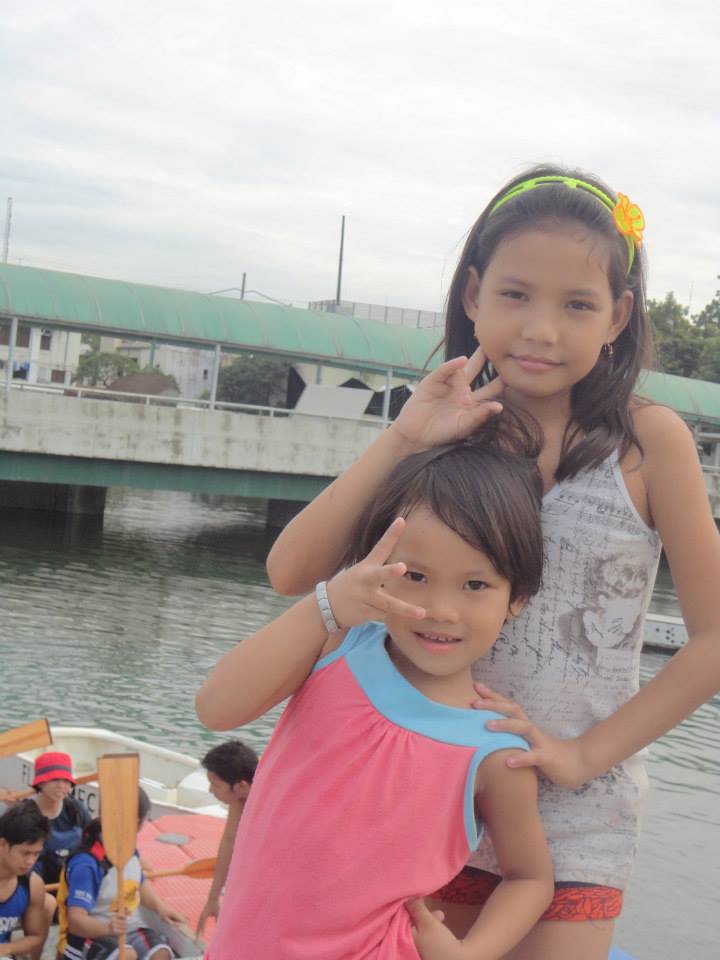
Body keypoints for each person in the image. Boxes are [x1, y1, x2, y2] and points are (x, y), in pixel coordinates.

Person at [266, 165, 720, 959]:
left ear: (618, 316)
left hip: (574, 821)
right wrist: (405, 437)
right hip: (417, 799)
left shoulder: (650, 444)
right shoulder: (446, 431)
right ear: (473, 295)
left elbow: (713, 639)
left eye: (576, 305)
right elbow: (292, 572)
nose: (541, 329)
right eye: (515, 295)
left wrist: (582, 756)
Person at [197, 433, 554, 959]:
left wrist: (472, 953)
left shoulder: (494, 750)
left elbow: (530, 878)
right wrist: (327, 604)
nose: (440, 609)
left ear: (517, 595)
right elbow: (216, 707)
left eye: (475, 585)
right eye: (416, 576)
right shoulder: (339, 644)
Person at [57, 787, 185, 960]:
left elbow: (139, 883)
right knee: (127, 956)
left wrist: (160, 907)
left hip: (128, 927)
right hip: (89, 934)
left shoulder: (130, 850)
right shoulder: (86, 864)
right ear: (137, 823)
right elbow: (76, 922)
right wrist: (108, 928)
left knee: (161, 953)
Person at [195, 740, 258, 938]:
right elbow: (229, 841)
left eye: (215, 785)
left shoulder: (270, 802)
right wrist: (213, 898)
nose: (210, 790)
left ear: (241, 786)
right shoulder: (239, 798)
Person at [30, 752, 91, 887]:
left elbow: (93, 840)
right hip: (37, 886)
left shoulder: (76, 810)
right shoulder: (25, 815)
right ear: (40, 783)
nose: (61, 786)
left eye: (65, 781)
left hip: (73, 881)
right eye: (55, 780)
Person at [0, 800, 50, 960]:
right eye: (25, 853)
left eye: (36, 854)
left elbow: (35, 937)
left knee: (49, 903)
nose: (30, 861)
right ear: (2, 844)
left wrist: (6, 948)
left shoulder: (33, 884)